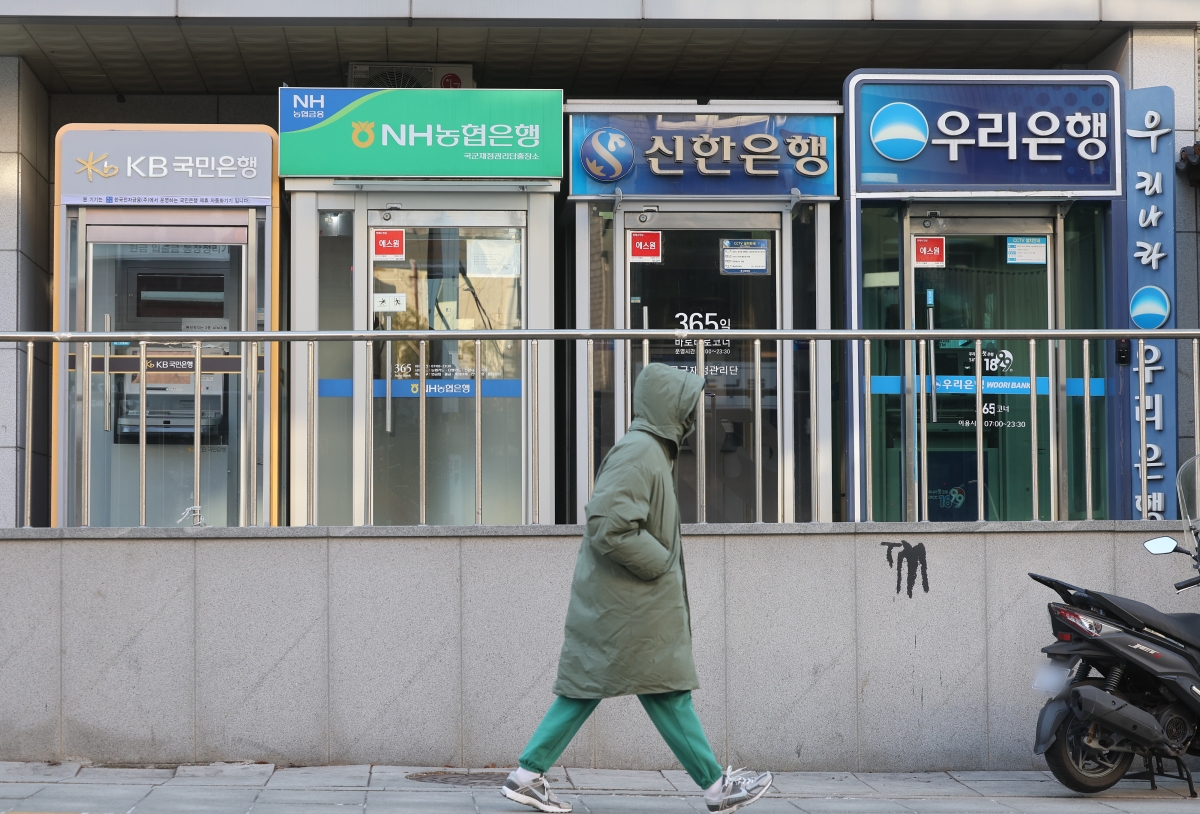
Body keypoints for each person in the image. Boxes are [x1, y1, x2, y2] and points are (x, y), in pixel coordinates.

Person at [500, 363, 773, 814]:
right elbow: (608, 525)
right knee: (660, 691)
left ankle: (527, 776)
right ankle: (716, 788)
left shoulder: (649, 450)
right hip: (630, 604)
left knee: (612, 689)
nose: (694, 415)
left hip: (625, 603)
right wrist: (661, 562)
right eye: (687, 405)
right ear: (669, 407)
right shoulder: (640, 452)